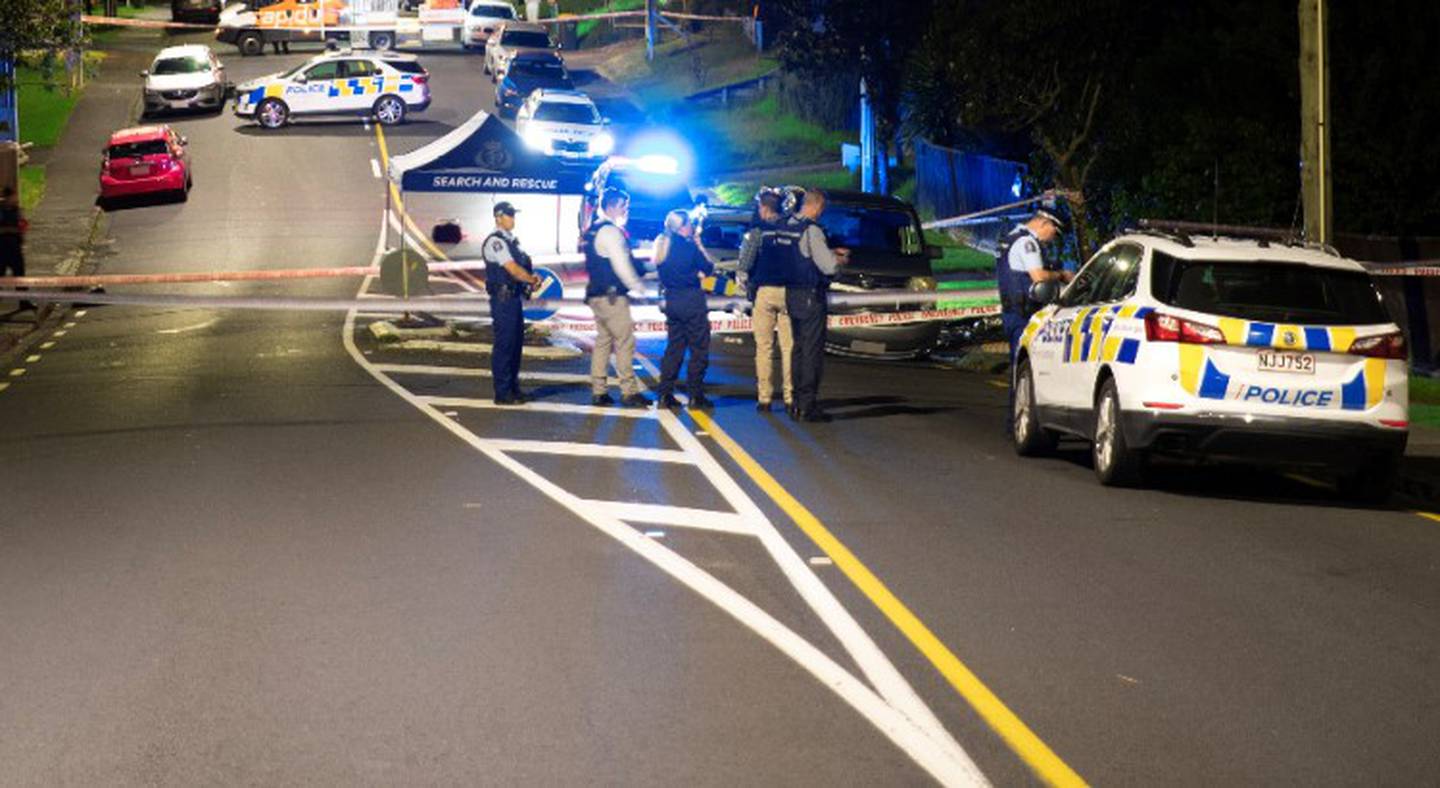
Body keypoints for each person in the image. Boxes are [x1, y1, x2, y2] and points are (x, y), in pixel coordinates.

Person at [997, 206, 1071, 433]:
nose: (1052, 238)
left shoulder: (1011, 238)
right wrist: (1062, 275)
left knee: (1021, 369)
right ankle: (1019, 425)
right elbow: (1038, 277)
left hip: (1015, 313)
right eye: (1054, 232)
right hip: (1023, 316)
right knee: (1025, 371)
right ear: (1044, 223)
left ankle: (1018, 423)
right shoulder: (1027, 243)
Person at [784, 188, 847, 423]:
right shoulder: (812, 230)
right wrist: (838, 259)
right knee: (811, 351)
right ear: (818, 206)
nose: (822, 213)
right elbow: (828, 267)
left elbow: (802, 255)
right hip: (811, 296)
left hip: (792, 293)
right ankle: (807, 405)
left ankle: (794, 401)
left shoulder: (789, 224)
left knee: (798, 349)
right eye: (822, 209)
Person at [582, 188, 649, 407]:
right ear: (611, 206)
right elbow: (621, 265)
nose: (626, 210)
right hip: (613, 297)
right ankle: (629, 391)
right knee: (624, 342)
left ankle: (599, 390)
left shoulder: (593, 230)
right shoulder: (611, 232)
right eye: (623, 206)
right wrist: (638, 287)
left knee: (603, 342)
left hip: (596, 295)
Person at [736, 190, 794, 413]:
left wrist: (743, 280)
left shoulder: (758, 233)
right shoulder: (791, 230)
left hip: (765, 292)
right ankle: (790, 396)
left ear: (764, 208)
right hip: (789, 291)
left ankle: (765, 398)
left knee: (764, 348)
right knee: (789, 347)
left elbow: (745, 264)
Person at [653, 209, 715, 410]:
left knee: (674, 348)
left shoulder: (662, 246)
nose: (692, 227)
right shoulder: (689, 247)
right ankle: (695, 394)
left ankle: (665, 392)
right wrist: (699, 244)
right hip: (691, 300)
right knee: (699, 348)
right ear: (682, 227)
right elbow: (708, 268)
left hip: (672, 300)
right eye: (689, 224)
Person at [483, 202, 543, 405]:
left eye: (513, 215)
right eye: (509, 215)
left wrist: (529, 280)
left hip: (513, 298)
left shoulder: (512, 241)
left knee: (515, 345)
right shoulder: (496, 242)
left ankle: (513, 388)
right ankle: (502, 392)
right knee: (505, 345)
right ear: (498, 217)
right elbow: (512, 269)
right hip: (502, 299)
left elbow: (521, 266)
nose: (512, 219)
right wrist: (531, 279)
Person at [0, 187, 34, 312]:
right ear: (7, 197)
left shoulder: (16, 210)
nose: (15, 200)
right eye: (13, 197)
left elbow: (22, 225)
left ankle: (24, 302)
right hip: (2, 249)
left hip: (15, 248)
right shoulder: (1, 210)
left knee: (20, 277)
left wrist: (21, 231)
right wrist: (9, 230)